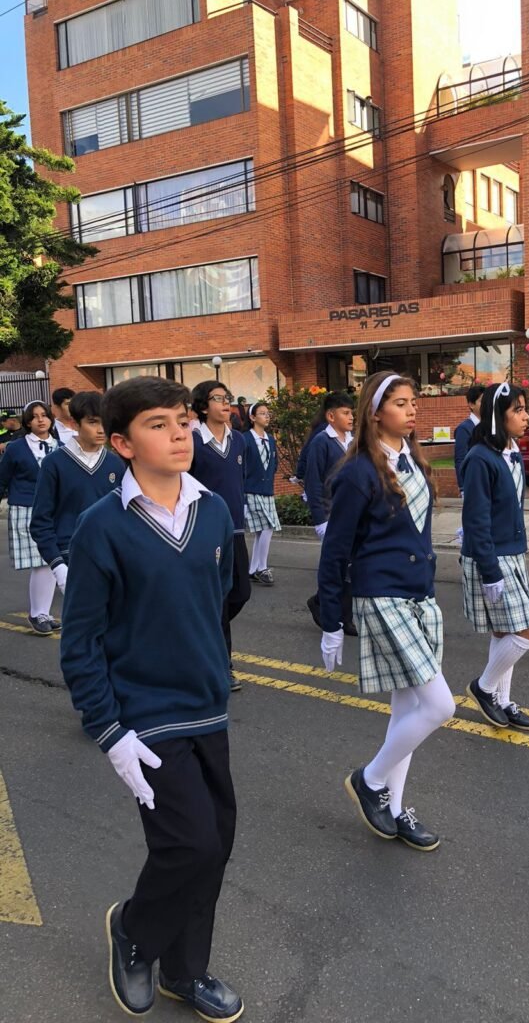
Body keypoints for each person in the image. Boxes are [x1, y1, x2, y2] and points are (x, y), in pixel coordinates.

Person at [60, 376, 242, 1023]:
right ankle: (134, 930)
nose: (180, 433)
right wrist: (109, 733)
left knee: (215, 843)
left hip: (208, 708)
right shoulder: (99, 529)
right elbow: (79, 644)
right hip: (144, 718)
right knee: (188, 845)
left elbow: (217, 598)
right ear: (122, 444)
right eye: (159, 424)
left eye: (184, 420)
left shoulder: (213, 510)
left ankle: (184, 972)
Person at [318, 372, 455, 851]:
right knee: (440, 705)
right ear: (375, 413)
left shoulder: (411, 461)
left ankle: (395, 808)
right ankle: (369, 778)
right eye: (400, 403)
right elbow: (335, 551)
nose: (412, 409)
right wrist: (332, 622)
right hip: (381, 594)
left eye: (413, 401)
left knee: (408, 710)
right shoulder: (358, 471)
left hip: (418, 593)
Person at [461, 384, 529, 731]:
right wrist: (490, 571)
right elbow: (476, 520)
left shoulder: (509, 451)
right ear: (499, 415)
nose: (527, 417)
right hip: (492, 557)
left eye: (526, 409)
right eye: (519, 410)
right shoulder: (481, 458)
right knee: (528, 631)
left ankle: (502, 700)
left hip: (510, 553)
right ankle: (483, 688)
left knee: (503, 633)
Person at [30, 391, 124, 596]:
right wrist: (58, 566)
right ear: (74, 423)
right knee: (83, 625)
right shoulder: (53, 464)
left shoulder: (115, 463)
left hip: (112, 555)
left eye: (105, 422)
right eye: (92, 422)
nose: (101, 430)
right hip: (71, 556)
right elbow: (40, 521)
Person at [190, 382, 250, 693]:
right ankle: (221, 665)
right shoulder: (192, 441)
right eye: (217, 399)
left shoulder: (238, 440)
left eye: (227, 398)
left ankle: (205, 631)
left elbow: (239, 479)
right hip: (204, 530)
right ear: (202, 407)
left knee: (239, 593)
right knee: (220, 597)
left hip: (235, 527)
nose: (226, 403)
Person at [0, 402, 60, 634]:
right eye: (34, 417)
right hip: (26, 507)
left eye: (45, 415)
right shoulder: (16, 448)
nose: (40, 420)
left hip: (56, 509)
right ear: (27, 422)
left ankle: (41, 613)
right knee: (43, 562)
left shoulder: (61, 446)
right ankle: (38, 614)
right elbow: (2, 479)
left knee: (52, 561)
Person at [304, 391, 356, 635]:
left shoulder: (353, 440)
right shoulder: (321, 442)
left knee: (350, 567)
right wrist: (320, 520)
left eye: (351, 412)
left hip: (350, 513)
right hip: (331, 515)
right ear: (331, 416)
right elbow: (313, 483)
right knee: (336, 568)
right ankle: (335, 614)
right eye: (346, 413)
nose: (351, 417)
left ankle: (333, 609)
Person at [243, 401, 281, 585]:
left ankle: (253, 568)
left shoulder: (270, 439)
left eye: (268, 413)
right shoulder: (245, 439)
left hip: (267, 490)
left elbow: (274, 464)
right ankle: (262, 567)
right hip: (251, 489)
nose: (267, 416)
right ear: (252, 417)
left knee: (262, 530)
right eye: (262, 413)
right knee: (267, 527)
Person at [454, 384, 485, 492]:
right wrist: (463, 487)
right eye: (482, 401)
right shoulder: (464, 429)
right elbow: (460, 459)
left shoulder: (490, 427)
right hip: (472, 484)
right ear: (471, 404)